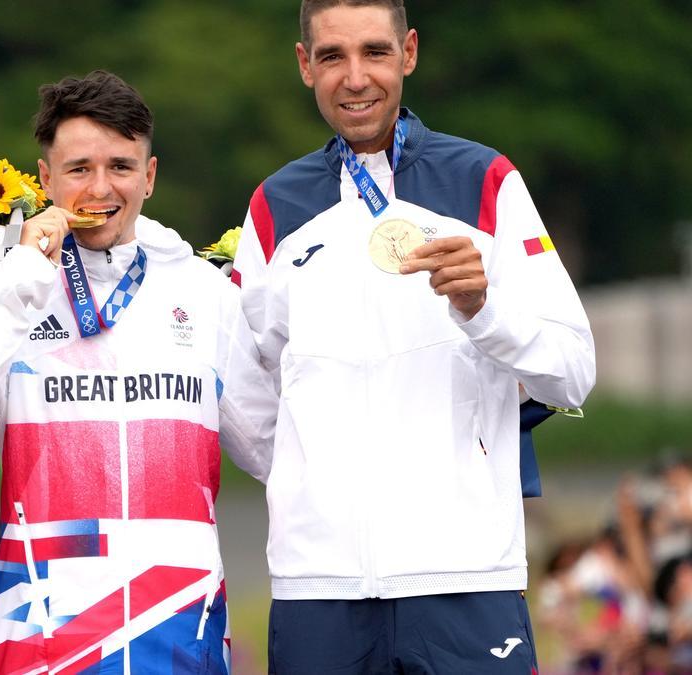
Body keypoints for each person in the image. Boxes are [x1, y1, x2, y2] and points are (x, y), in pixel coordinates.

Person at [231, 1, 596, 672]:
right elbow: (243, 392)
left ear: (410, 53)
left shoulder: (485, 180)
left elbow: (572, 369)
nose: (356, 77)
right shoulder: (273, 206)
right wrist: (308, 482)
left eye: (374, 51)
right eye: (333, 56)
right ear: (305, 64)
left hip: (466, 578)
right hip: (320, 588)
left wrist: (484, 309)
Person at [0, 71, 274, 673]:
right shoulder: (5, 291)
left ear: (150, 176)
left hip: (182, 627)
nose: (101, 187)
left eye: (121, 167)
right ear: (46, 178)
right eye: (79, 168)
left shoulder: (206, 294)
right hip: (44, 635)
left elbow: (274, 452)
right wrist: (24, 276)